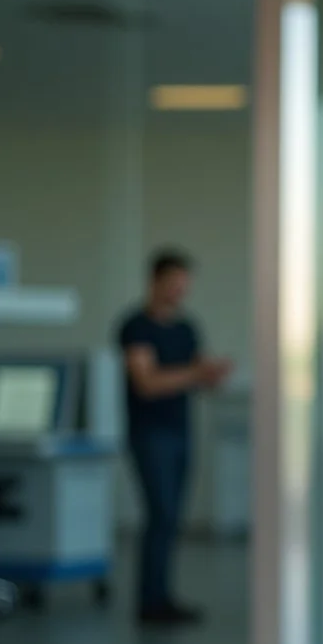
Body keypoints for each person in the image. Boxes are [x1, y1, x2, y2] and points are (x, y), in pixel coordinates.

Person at [116, 249, 231, 625]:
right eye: (173, 284)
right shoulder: (136, 327)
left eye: (184, 285)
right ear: (155, 281)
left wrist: (210, 375)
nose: (180, 291)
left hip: (181, 432)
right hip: (149, 434)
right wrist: (194, 374)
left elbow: (194, 374)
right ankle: (150, 602)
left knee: (172, 518)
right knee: (160, 514)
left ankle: (162, 596)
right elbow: (146, 383)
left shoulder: (186, 329)